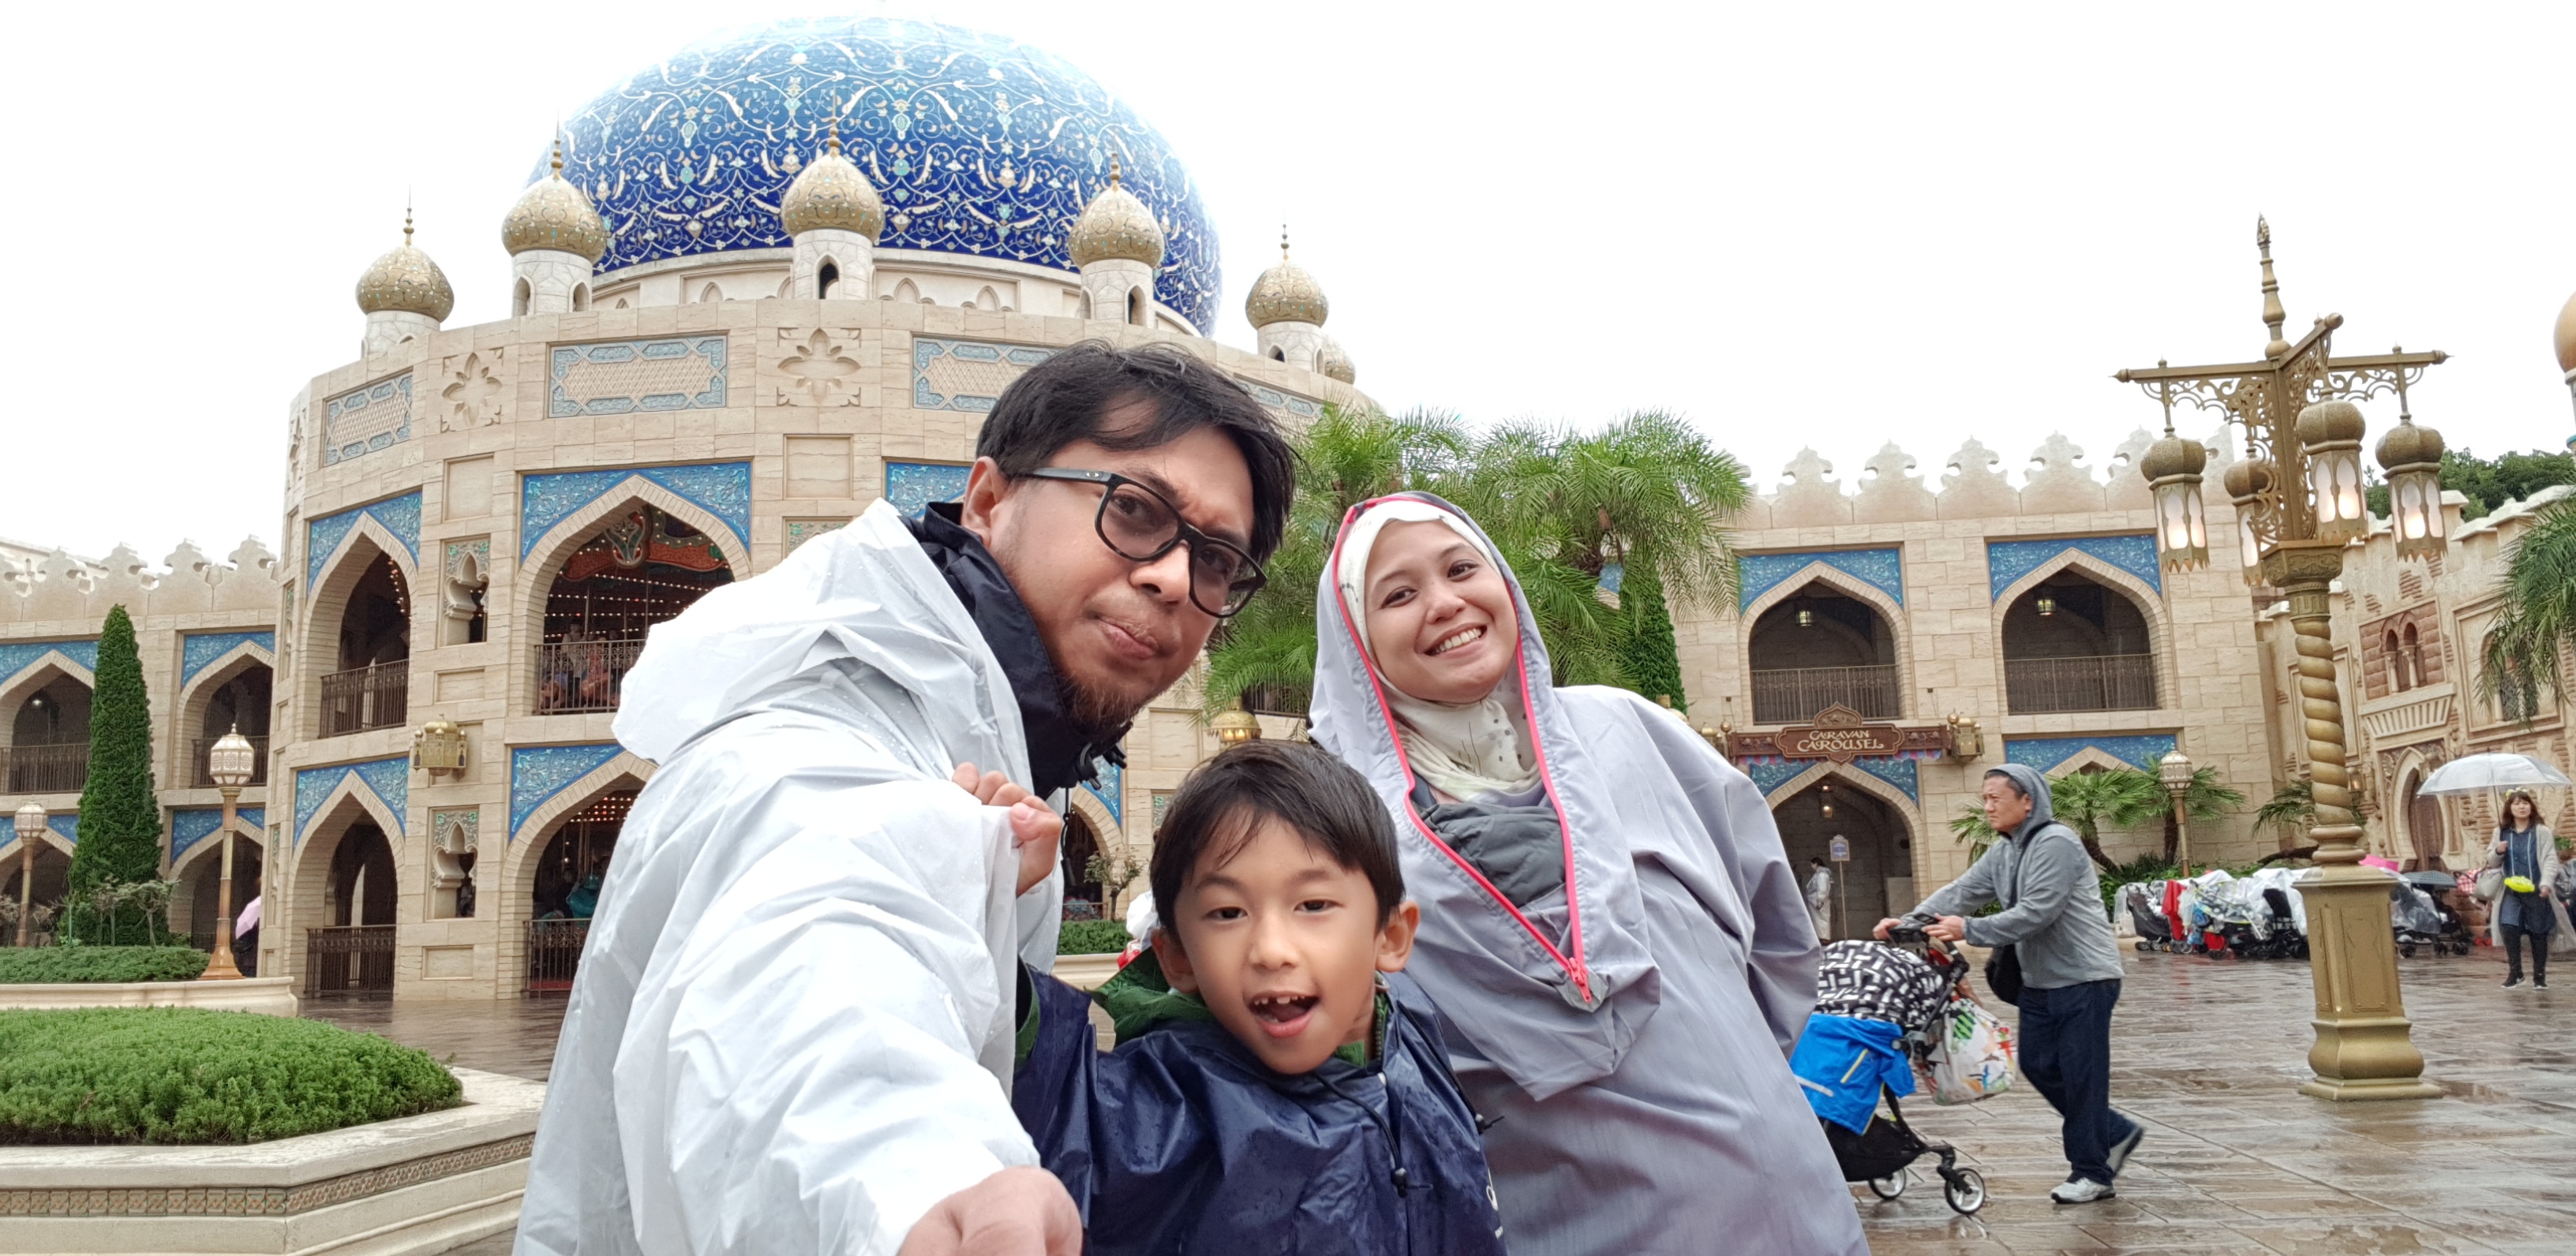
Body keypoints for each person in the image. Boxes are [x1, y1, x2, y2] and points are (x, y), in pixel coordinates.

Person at [515, 342, 1295, 1256]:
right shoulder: (811, 746)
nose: (1174, 579)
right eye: (1134, 510)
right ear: (990, 499)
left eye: (1216, 560)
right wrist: (922, 1184)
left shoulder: (993, 763)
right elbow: (809, 966)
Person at [1308, 494, 1864, 1256]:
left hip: (1791, 1202)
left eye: (1462, 569)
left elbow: (1774, 934)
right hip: (1567, 1215)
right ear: (1357, 638)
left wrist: (1731, 1067)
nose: (1445, 603)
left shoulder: (1626, 730)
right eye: (1398, 595)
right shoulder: (1345, 824)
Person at [1010, 740, 1506, 1254]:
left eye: (1313, 904)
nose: (1271, 951)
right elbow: (1052, 1103)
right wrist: (986, 901)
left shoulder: (1411, 1030)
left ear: (1391, 936)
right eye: (1228, 913)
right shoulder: (1161, 1110)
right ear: (1177, 956)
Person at [1878, 764, 2136, 1205]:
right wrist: (1907, 923)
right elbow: (1962, 891)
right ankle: (2113, 1132)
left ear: (2027, 801)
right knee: (2037, 1065)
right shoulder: (2004, 850)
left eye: (1995, 798)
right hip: (2038, 981)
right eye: (1984, 799)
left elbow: (2038, 911)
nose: (1988, 807)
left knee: (2082, 1077)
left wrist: (1969, 930)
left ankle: (2092, 1172)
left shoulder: (2056, 843)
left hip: (2084, 979)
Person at [2484, 790, 2568, 989]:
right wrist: (2498, 851)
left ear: (2531, 807)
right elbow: (2491, 861)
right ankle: (2516, 973)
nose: (2521, 807)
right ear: (2509, 808)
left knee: (2538, 932)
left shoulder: (2541, 832)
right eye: (2516, 804)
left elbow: (2550, 859)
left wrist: (2546, 883)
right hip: (2511, 891)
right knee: (2508, 927)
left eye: (2525, 803)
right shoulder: (2501, 833)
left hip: (2537, 890)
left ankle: (2539, 976)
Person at [1806, 855, 1835, 940]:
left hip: (1820, 902)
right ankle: (1822, 937)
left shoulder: (1822, 875)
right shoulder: (1820, 874)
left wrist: (1820, 900)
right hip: (1817, 902)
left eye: (1812, 864)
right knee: (1818, 920)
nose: (1811, 866)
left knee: (1822, 920)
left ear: (1816, 864)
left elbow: (1822, 889)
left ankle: (1824, 938)